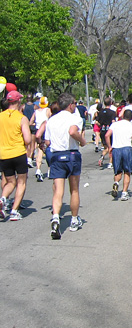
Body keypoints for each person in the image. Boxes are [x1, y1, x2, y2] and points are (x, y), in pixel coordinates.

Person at [44, 93, 87, 239]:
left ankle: (56, 217)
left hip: (56, 155)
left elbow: (47, 142)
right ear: (70, 105)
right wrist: (82, 140)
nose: (75, 105)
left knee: (58, 190)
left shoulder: (51, 120)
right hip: (71, 154)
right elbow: (72, 131)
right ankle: (74, 220)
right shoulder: (75, 118)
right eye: (75, 103)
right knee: (74, 189)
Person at [0, 91, 32, 221]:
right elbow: (28, 139)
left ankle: (3, 199)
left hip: (4, 154)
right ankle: (14, 211)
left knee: (10, 182)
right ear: (18, 102)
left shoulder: (0, 116)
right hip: (18, 152)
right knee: (21, 181)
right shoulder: (21, 117)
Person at [105, 109, 132, 201]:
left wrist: (109, 146)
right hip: (126, 149)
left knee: (118, 171)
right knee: (127, 172)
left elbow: (107, 135)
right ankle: (124, 193)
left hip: (116, 149)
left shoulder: (115, 124)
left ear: (122, 116)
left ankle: (116, 182)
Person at [31, 96, 52, 183]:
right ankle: (49, 170)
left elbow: (30, 122)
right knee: (48, 150)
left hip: (38, 130)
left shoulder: (36, 112)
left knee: (40, 150)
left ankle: (38, 169)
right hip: (46, 130)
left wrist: (36, 123)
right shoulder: (48, 110)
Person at [97, 97, 117, 169]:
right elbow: (113, 122)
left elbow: (97, 122)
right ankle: (110, 163)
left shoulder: (100, 112)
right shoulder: (112, 113)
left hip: (102, 131)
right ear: (111, 103)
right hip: (109, 131)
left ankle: (102, 156)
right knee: (111, 147)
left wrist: (101, 125)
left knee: (106, 147)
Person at [22, 93, 36, 167]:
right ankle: (30, 158)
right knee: (32, 143)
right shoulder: (35, 106)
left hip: (25, 126)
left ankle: (27, 158)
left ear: (26, 99)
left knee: (26, 144)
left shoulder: (23, 106)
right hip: (33, 126)